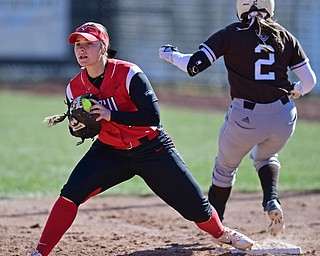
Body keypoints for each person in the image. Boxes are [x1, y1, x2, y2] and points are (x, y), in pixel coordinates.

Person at [28, 22, 254, 256]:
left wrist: (110, 114)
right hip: (110, 151)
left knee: (197, 208)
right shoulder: (73, 88)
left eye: (89, 44)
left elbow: (152, 117)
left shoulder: (128, 73)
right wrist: (79, 126)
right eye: (78, 44)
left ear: (103, 46)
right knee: (70, 193)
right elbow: (83, 126)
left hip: (152, 149)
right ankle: (40, 252)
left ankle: (221, 233)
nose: (81, 49)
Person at [159, 0, 316, 236]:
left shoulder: (231, 33)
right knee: (266, 156)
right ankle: (271, 199)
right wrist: (296, 91)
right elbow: (310, 81)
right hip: (285, 115)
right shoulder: (285, 35)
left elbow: (193, 66)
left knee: (224, 169)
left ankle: (217, 224)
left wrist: (171, 55)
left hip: (247, 116)